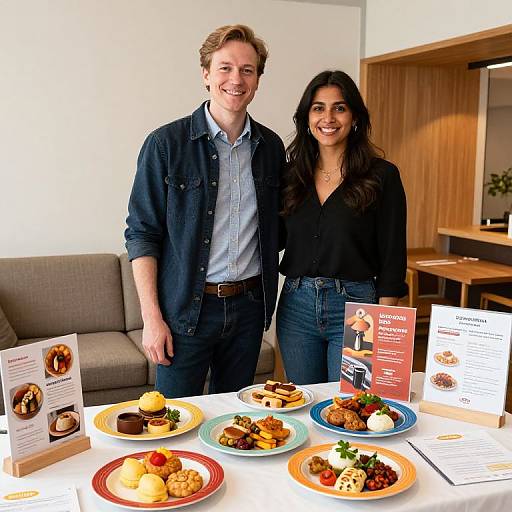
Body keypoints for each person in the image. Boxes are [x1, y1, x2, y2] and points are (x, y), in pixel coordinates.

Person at [125, 24, 285, 398]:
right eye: (225, 67)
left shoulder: (271, 148)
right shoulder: (165, 144)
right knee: (174, 422)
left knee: (238, 425)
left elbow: (282, 227)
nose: (236, 79)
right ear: (206, 75)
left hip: (249, 310)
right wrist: (151, 319)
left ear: (258, 80)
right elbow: (141, 234)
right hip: (186, 312)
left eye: (248, 70)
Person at [276, 70, 407, 385]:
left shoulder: (382, 176)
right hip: (297, 307)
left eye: (340, 107)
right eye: (318, 107)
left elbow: (393, 256)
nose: (328, 117)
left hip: (358, 311)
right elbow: (272, 239)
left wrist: (386, 323)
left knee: (352, 406)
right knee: (302, 404)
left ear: (355, 117)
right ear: (307, 118)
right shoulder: (290, 175)